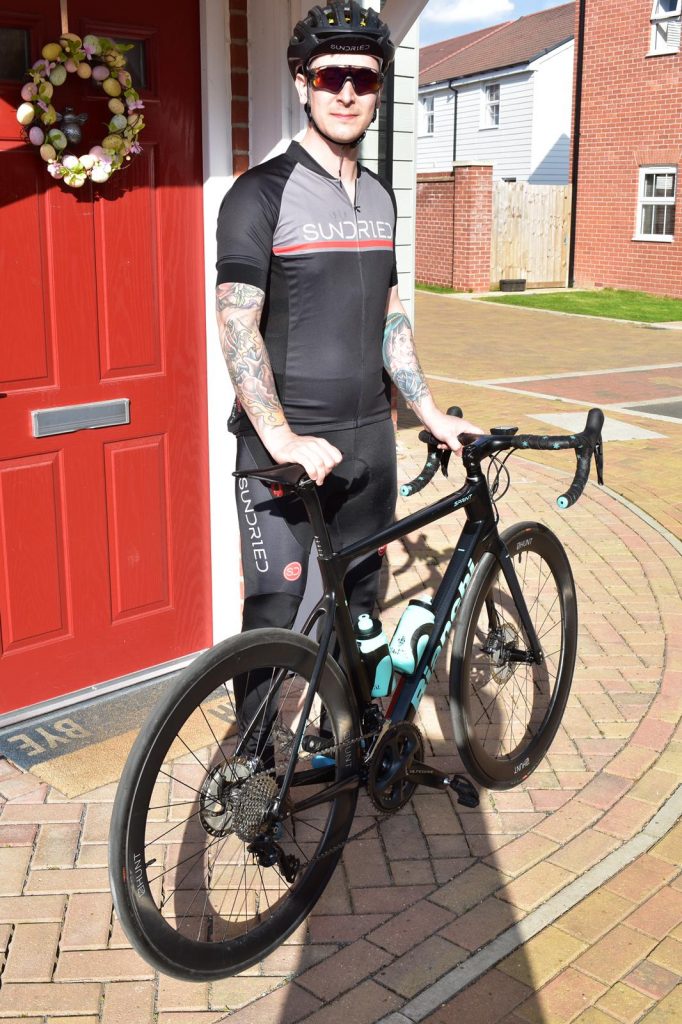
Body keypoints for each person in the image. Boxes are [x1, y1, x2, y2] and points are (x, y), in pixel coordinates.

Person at [215, 2, 481, 755]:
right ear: (303, 83)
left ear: (379, 90)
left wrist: (430, 412)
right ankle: (250, 773)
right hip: (284, 448)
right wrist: (280, 437)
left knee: (360, 599)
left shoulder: (383, 196)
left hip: (369, 439)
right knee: (273, 613)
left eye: (363, 79)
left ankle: (349, 741)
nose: (346, 92)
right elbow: (236, 324)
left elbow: (390, 316)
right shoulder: (259, 193)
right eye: (331, 75)